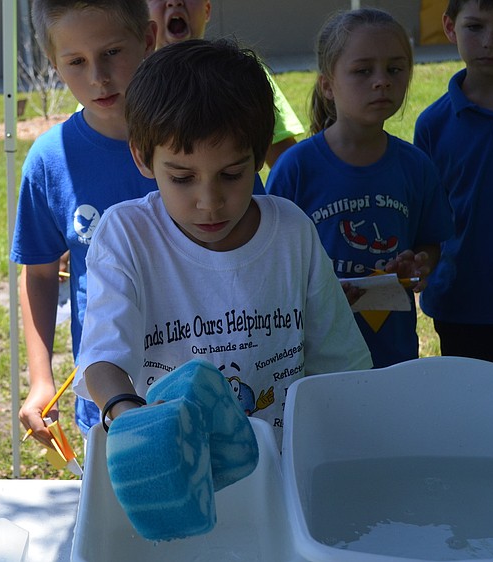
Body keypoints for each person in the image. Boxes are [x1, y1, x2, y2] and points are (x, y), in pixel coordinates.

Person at [73, 38, 373, 445]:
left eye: (232, 174)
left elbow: (341, 365)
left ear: (259, 155)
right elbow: (102, 359)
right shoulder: (126, 235)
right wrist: (129, 415)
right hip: (176, 465)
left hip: (283, 468)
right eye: (182, 178)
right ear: (143, 157)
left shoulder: (291, 232)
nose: (209, 202)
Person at [267, 8, 454, 368]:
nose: (381, 81)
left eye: (395, 69)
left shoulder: (415, 166)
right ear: (327, 84)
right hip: (314, 353)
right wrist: (319, 294)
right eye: (363, 70)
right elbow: (272, 261)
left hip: (392, 350)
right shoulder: (296, 169)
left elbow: (430, 242)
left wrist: (419, 263)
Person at [11, 0, 157, 446]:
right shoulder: (48, 161)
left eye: (112, 52)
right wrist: (40, 380)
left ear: (148, 40)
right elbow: (37, 274)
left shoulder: (200, 136)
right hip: (106, 402)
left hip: (208, 375)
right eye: (76, 61)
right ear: (54, 64)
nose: (98, 77)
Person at [414, 0, 493, 367]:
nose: (491, 41)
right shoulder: (433, 125)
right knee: (479, 419)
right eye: (475, 27)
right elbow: (426, 222)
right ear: (449, 27)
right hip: (465, 307)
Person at [146, 0, 305, 167]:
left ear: (207, 9)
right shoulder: (133, 85)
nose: (175, 2)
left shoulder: (242, 75)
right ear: (144, 11)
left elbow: (288, 167)